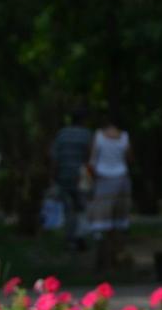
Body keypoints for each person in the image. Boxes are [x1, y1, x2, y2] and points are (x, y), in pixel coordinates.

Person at [87, 116, 133, 269]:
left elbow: (92, 161)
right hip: (121, 180)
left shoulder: (99, 136)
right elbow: (129, 158)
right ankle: (116, 258)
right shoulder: (124, 136)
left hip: (103, 181)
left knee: (101, 224)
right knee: (117, 224)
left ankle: (103, 260)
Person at [51, 106, 93, 251]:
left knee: (68, 210)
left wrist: (55, 176)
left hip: (64, 176)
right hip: (80, 177)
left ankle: (70, 239)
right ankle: (79, 237)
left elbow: (55, 158)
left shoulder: (62, 134)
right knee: (81, 208)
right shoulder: (86, 135)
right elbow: (90, 157)